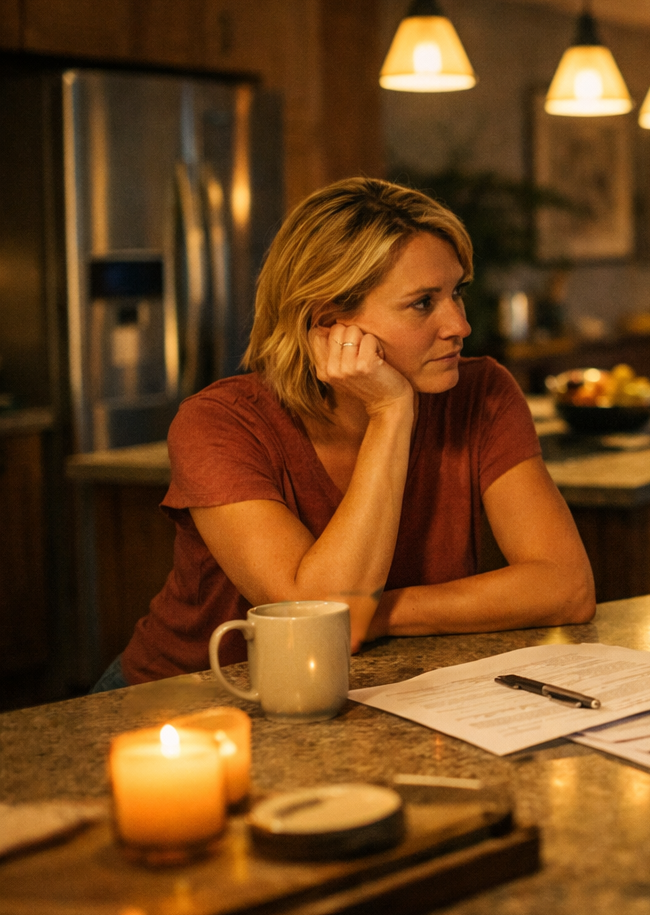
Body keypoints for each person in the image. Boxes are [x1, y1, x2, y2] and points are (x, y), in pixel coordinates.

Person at [97, 177, 595, 689]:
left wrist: (376, 613)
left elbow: (566, 586)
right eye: (423, 302)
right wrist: (391, 410)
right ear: (331, 320)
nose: (459, 326)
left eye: (456, 293)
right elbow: (321, 618)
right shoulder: (220, 423)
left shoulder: (482, 392)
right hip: (191, 702)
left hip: (379, 688)